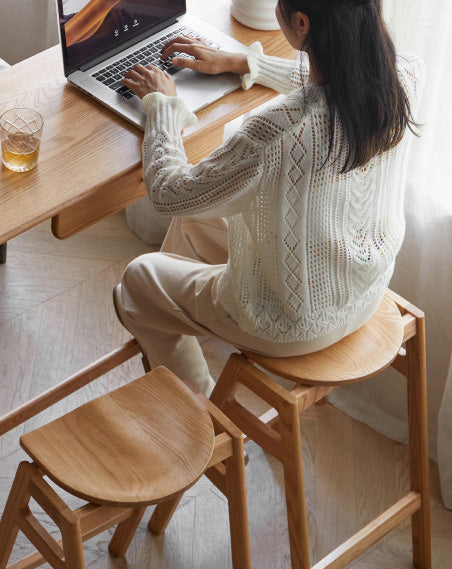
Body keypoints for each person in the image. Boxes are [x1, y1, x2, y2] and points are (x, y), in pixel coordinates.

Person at [113, 0, 423, 396]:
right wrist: (245, 64)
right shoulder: (404, 75)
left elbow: (169, 192)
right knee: (194, 218)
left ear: (301, 23)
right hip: (363, 288)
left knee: (138, 279)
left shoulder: (275, 132)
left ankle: (202, 409)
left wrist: (162, 106)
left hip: (289, 322)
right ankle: (181, 317)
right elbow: (334, 88)